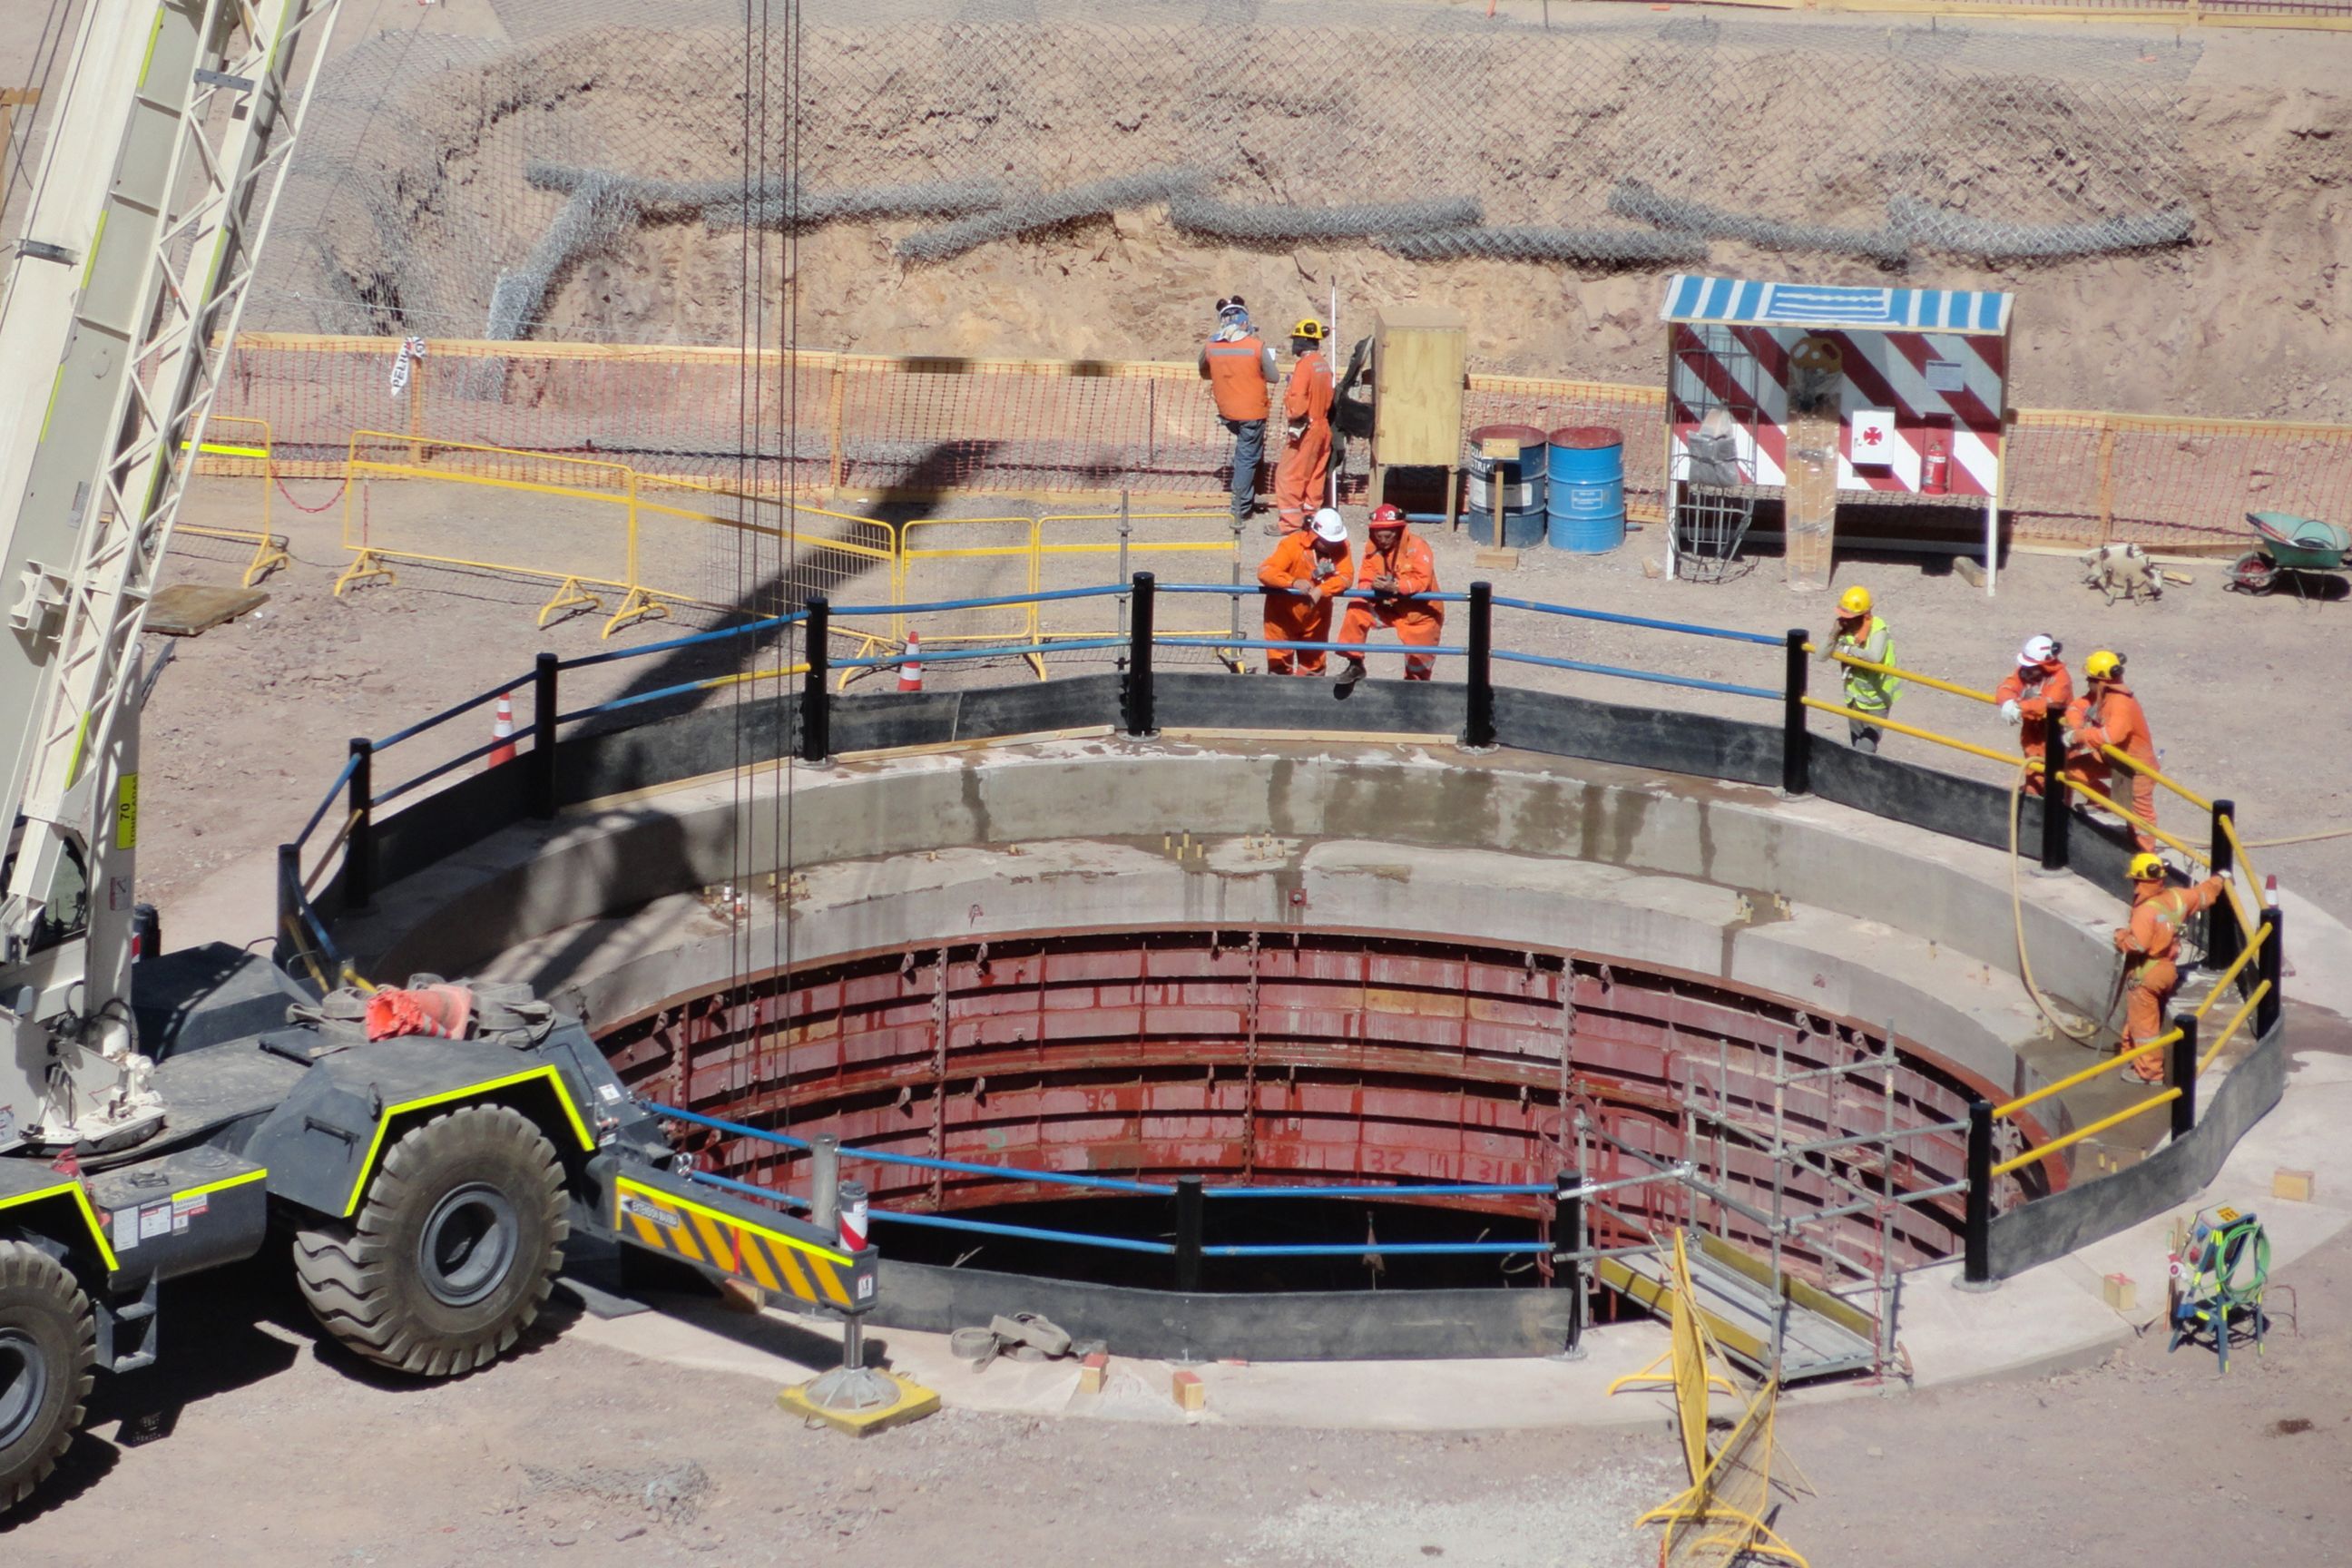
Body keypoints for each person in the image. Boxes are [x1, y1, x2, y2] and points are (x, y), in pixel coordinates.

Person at [2112, 853, 2228, 1083]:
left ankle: (2148, 1073)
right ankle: (2131, 1054)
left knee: (2144, 1025)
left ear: (2139, 880)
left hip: (2147, 974)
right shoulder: (2177, 898)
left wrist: (2120, 937)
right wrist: (2220, 879)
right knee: (2139, 1019)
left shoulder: (2145, 911)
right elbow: (2203, 895)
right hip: (2167, 970)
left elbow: (2138, 944)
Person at [1335, 504, 1442, 686]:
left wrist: (1396, 587)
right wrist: (1372, 587)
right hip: (1388, 607)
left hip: (1421, 615)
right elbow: (1365, 578)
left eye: (1388, 535)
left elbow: (1422, 581)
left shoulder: (1418, 547)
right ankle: (1355, 663)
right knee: (1357, 607)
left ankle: (1415, 691)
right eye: (1379, 535)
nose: (1383, 540)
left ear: (1398, 530)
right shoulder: (1372, 550)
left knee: (1418, 668)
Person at [2065, 649, 2159, 850]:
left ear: (2101, 680)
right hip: (2113, 759)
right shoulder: (2101, 695)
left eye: (2090, 678)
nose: (2087, 683)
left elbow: (2112, 735)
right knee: (2073, 770)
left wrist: (2079, 736)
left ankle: (2146, 854)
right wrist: (2075, 727)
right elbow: (2077, 707)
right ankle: (2105, 802)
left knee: (2139, 816)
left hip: (2136, 767)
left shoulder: (2121, 702)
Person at [1198, 296, 1277, 529]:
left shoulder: (1211, 346)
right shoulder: (1255, 346)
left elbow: (1204, 372)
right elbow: (1274, 377)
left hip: (1227, 412)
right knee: (1246, 458)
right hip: (1252, 412)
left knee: (1245, 455)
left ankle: (1248, 497)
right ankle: (1240, 508)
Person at [1256, 507, 1351, 675]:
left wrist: (1322, 590)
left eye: (1335, 541)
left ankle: (1310, 700)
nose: (1333, 545)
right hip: (1282, 617)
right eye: (1328, 541)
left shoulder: (1342, 547)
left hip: (1316, 619)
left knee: (1314, 668)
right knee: (1279, 669)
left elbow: (1346, 577)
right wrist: (1292, 582)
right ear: (1315, 535)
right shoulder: (1292, 545)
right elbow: (1265, 571)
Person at [1272, 318, 1334, 536]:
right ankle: (1311, 515)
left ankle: (1290, 522)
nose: (1293, 345)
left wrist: (1292, 413)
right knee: (1316, 473)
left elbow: (1298, 401)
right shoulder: (1322, 364)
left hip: (1306, 427)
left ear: (1302, 340)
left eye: (1295, 340)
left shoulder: (1304, 366)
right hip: (1323, 426)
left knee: (1288, 474)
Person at [1820, 584, 1900, 751]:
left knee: (1865, 749)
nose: (1846, 620)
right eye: (1844, 616)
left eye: (1849, 616)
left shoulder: (1878, 629)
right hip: (1854, 700)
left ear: (1864, 615)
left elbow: (1875, 656)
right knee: (1856, 746)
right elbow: (1820, 656)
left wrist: (1850, 650)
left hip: (1877, 702)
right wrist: (1833, 635)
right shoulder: (1844, 630)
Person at [1994, 633, 2073, 793]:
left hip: (2056, 738)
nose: (2025, 671)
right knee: (2033, 781)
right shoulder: (2028, 671)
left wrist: (2020, 707)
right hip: (2034, 736)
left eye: (2031, 668)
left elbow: (2049, 704)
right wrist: (2007, 701)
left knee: (2059, 785)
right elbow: (2006, 687)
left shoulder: (2060, 679)